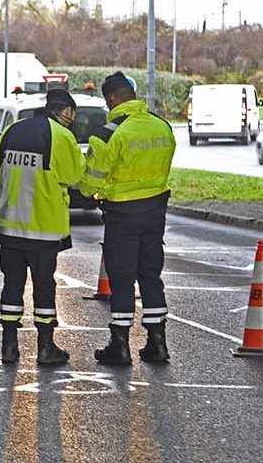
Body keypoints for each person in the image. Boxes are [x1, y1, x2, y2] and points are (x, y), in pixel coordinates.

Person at [78, 71, 176, 365]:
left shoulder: (108, 134)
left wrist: (86, 189)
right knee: (150, 275)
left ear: (112, 99)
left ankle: (119, 345)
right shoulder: (162, 126)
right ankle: (157, 343)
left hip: (122, 214)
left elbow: (91, 181)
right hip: (156, 210)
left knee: (121, 278)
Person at [0, 89, 86, 365]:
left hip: (11, 227)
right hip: (44, 227)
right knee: (43, 287)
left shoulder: (12, 131)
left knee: (12, 284)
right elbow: (74, 175)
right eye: (73, 114)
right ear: (66, 111)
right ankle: (45, 347)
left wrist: (4, 197)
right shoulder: (62, 137)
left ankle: (9, 346)